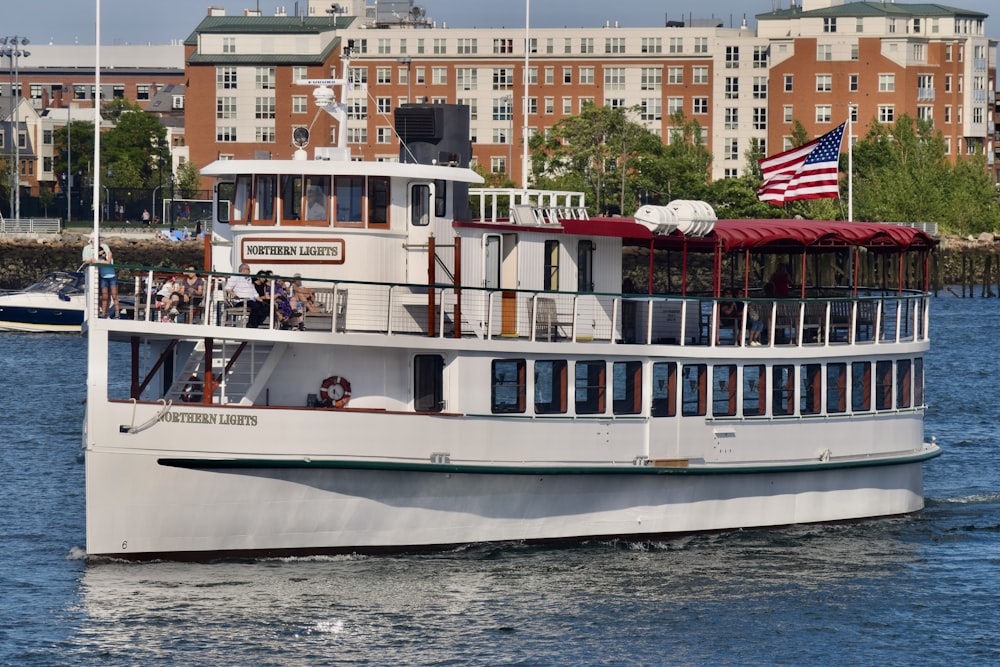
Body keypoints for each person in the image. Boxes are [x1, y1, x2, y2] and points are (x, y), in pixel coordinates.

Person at [82, 237, 119, 317]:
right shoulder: (98, 258)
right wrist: (96, 257)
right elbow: (88, 261)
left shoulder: (108, 255)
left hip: (112, 277)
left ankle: (117, 313)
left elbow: (108, 262)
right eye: (101, 253)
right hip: (103, 277)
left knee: (114, 295)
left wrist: (98, 260)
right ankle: (103, 313)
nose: (102, 255)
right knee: (104, 296)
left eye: (103, 253)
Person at [224, 263, 265, 328]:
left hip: (251, 300)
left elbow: (253, 290)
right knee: (256, 306)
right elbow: (228, 288)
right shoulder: (236, 277)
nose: (249, 271)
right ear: (243, 270)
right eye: (248, 269)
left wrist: (259, 298)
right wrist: (234, 295)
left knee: (265, 307)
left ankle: (256, 324)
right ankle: (251, 325)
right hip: (241, 301)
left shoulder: (249, 279)